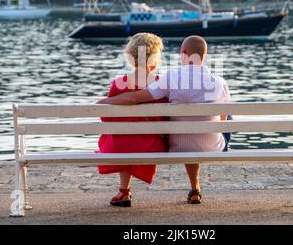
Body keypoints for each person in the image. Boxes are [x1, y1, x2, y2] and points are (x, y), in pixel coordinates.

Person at [98, 35, 230, 204]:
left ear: (183, 53)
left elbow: (133, 99)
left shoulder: (170, 78)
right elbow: (223, 120)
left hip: (178, 145)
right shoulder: (220, 83)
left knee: (185, 125)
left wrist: (105, 102)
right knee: (222, 116)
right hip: (213, 147)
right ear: (204, 56)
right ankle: (195, 189)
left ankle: (125, 190)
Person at [97, 33, 168, 207]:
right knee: (134, 137)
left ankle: (124, 191)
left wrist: (105, 102)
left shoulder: (118, 83)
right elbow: (167, 117)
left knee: (120, 136)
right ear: (155, 58)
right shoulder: (161, 84)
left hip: (119, 146)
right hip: (151, 145)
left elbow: (106, 116)